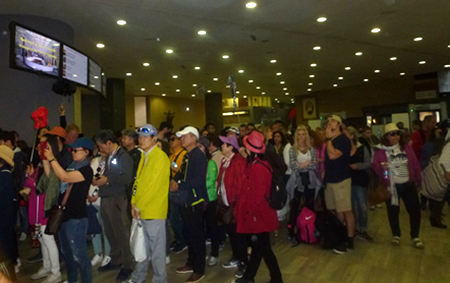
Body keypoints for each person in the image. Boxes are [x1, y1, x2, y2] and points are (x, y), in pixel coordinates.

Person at [233, 131, 283, 283]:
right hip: (261, 214)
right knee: (263, 248)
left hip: (258, 215)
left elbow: (257, 196)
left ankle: (251, 277)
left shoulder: (257, 167)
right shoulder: (260, 164)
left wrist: (250, 215)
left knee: (260, 247)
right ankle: (274, 278)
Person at [44, 137, 95, 283]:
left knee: (80, 256)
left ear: (86, 152)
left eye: (76, 150)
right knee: (68, 257)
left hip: (76, 218)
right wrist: (45, 160)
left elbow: (64, 177)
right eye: (71, 150)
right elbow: (55, 177)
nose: (72, 152)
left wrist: (52, 158)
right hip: (64, 217)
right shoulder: (72, 166)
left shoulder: (86, 170)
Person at [127, 124, 170, 283]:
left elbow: (153, 186)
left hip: (153, 211)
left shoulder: (159, 157)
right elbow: (137, 183)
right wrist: (133, 202)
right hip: (141, 210)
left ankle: (160, 280)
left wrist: (138, 206)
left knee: (156, 250)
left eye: (146, 137)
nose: (142, 140)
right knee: (141, 248)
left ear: (154, 138)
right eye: (140, 137)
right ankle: (138, 277)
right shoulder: (145, 156)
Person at [372, 123, 424, 249]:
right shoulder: (380, 150)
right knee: (393, 211)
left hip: (408, 184)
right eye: (392, 134)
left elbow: (414, 164)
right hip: (391, 186)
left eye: (397, 134)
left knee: (414, 210)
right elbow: (375, 167)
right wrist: (382, 167)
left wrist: (419, 180)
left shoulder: (406, 148)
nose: (395, 137)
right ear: (386, 136)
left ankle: (415, 236)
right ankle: (396, 234)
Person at [94, 130, 134, 282]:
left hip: (117, 198)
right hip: (106, 197)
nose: (99, 149)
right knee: (110, 231)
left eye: (100, 146)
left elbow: (126, 177)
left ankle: (128, 264)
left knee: (121, 232)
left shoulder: (124, 157)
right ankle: (116, 259)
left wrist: (107, 180)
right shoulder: (109, 156)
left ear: (109, 143)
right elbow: (104, 172)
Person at [171, 126, 208, 283]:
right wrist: (174, 179)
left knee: (196, 236)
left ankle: (199, 269)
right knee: (189, 233)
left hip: (194, 200)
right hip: (186, 200)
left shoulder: (198, 156)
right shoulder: (188, 155)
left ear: (194, 138)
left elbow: (198, 181)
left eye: (184, 136)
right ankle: (191, 263)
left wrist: (179, 184)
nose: (182, 139)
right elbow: (181, 172)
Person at [30, 135, 61, 283]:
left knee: (48, 238)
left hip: (47, 206)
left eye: (44, 144)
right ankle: (47, 266)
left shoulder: (55, 163)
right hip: (38, 205)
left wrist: (46, 158)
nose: (40, 146)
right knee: (42, 238)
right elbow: (38, 185)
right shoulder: (41, 164)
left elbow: (52, 182)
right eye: (39, 144)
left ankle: (55, 272)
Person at [324, 115, 355, 254]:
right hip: (331, 179)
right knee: (336, 210)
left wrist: (329, 139)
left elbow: (333, 155)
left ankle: (349, 240)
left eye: (333, 121)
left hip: (341, 180)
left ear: (340, 124)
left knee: (345, 210)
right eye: (328, 121)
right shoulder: (333, 140)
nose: (329, 123)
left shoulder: (342, 139)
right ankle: (339, 236)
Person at [217, 134, 247, 278]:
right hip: (227, 204)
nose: (221, 146)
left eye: (224, 144)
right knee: (233, 234)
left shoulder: (238, 162)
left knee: (238, 236)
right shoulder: (225, 160)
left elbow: (241, 186)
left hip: (235, 206)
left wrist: (235, 205)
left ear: (230, 147)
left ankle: (243, 262)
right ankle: (237, 256)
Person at [286, 125, 319, 243]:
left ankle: (309, 230)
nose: (301, 137)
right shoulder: (292, 149)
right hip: (297, 181)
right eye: (299, 134)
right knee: (295, 207)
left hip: (310, 181)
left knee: (310, 206)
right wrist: (307, 163)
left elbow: (315, 164)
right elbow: (293, 166)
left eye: (303, 134)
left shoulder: (311, 149)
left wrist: (301, 164)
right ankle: (291, 232)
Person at [344, 127, 373, 242]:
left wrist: (358, 166)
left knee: (362, 205)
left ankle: (363, 228)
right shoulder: (342, 150)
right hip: (347, 180)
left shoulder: (361, 148)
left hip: (359, 179)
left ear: (352, 136)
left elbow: (368, 163)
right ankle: (353, 228)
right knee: (351, 206)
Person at [197, 137, 220, 266]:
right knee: (200, 229)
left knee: (212, 228)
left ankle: (214, 253)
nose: (198, 150)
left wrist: (197, 186)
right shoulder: (194, 162)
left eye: (201, 147)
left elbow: (210, 182)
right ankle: (202, 253)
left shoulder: (210, 163)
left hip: (209, 200)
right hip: (198, 200)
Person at [87, 148, 111, 267]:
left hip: (104, 200)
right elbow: (88, 178)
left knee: (106, 229)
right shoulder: (94, 161)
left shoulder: (112, 162)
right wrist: (88, 194)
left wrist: (98, 194)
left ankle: (108, 254)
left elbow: (110, 182)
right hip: (91, 200)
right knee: (94, 229)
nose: (102, 150)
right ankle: (98, 253)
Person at [0, 145, 18, 282]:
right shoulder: (5, 174)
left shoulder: (4, 175)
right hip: (5, 219)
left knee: (5, 254)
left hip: (3, 220)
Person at [168, 133, 187, 253]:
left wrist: (171, 165)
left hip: (179, 188)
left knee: (175, 217)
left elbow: (180, 169)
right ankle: (179, 238)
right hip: (171, 187)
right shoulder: (172, 155)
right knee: (173, 217)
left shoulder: (184, 154)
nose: (170, 141)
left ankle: (182, 240)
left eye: (173, 139)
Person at [121, 129, 142, 201]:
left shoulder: (138, 153)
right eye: (122, 138)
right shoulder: (124, 153)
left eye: (125, 138)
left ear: (132, 140)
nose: (122, 140)